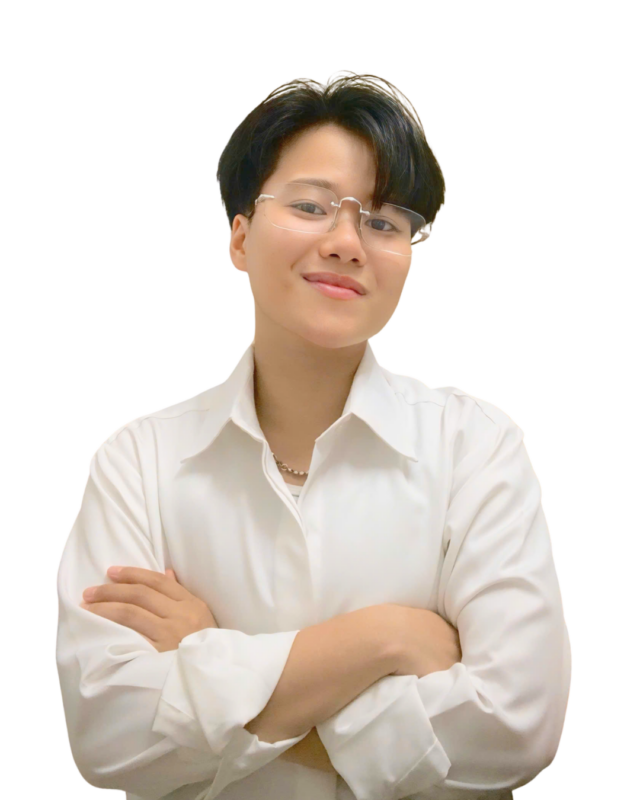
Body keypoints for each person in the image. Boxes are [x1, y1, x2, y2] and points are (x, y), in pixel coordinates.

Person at [57, 71, 570, 800]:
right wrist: (383, 639)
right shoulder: (138, 460)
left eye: (384, 222)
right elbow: (108, 738)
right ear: (239, 237)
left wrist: (208, 659)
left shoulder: (477, 447)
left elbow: (516, 728)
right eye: (310, 206)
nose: (346, 242)